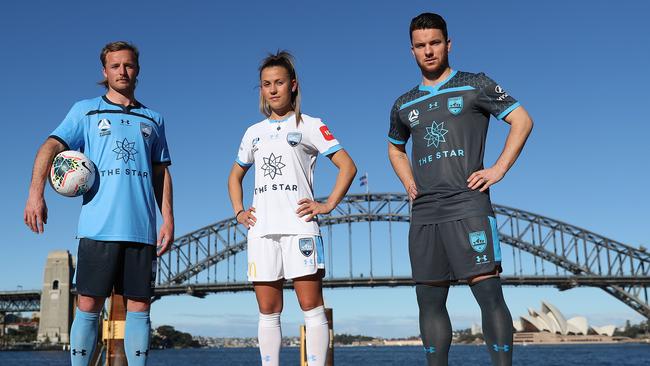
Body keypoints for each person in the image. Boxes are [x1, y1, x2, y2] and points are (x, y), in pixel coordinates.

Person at [387, 13, 533, 366]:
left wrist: (498, 169)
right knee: (429, 300)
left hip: (469, 205)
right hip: (424, 212)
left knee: (488, 293)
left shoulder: (475, 84)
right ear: (412, 51)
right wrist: (408, 181)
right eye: (421, 46)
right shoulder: (404, 103)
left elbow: (522, 120)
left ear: (448, 45)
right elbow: (395, 147)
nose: (429, 51)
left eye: (435, 43)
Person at [24, 41, 174, 366]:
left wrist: (168, 220)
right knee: (88, 305)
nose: (123, 71)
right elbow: (49, 146)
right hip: (98, 228)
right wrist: (36, 194)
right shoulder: (85, 110)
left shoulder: (154, 119)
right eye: (115, 66)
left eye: (129, 65)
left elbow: (161, 173)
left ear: (138, 70)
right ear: (104, 72)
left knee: (140, 307)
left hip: (142, 230)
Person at [228, 51, 356, 366]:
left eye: (279, 83)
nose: (273, 90)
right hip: (262, 231)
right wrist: (239, 211)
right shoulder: (252, 133)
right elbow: (234, 176)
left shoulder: (311, 125)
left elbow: (347, 166)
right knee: (268, 312)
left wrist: (327, 205)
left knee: (311, 308)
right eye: (266, 84)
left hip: (300, 227)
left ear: (293, 85)